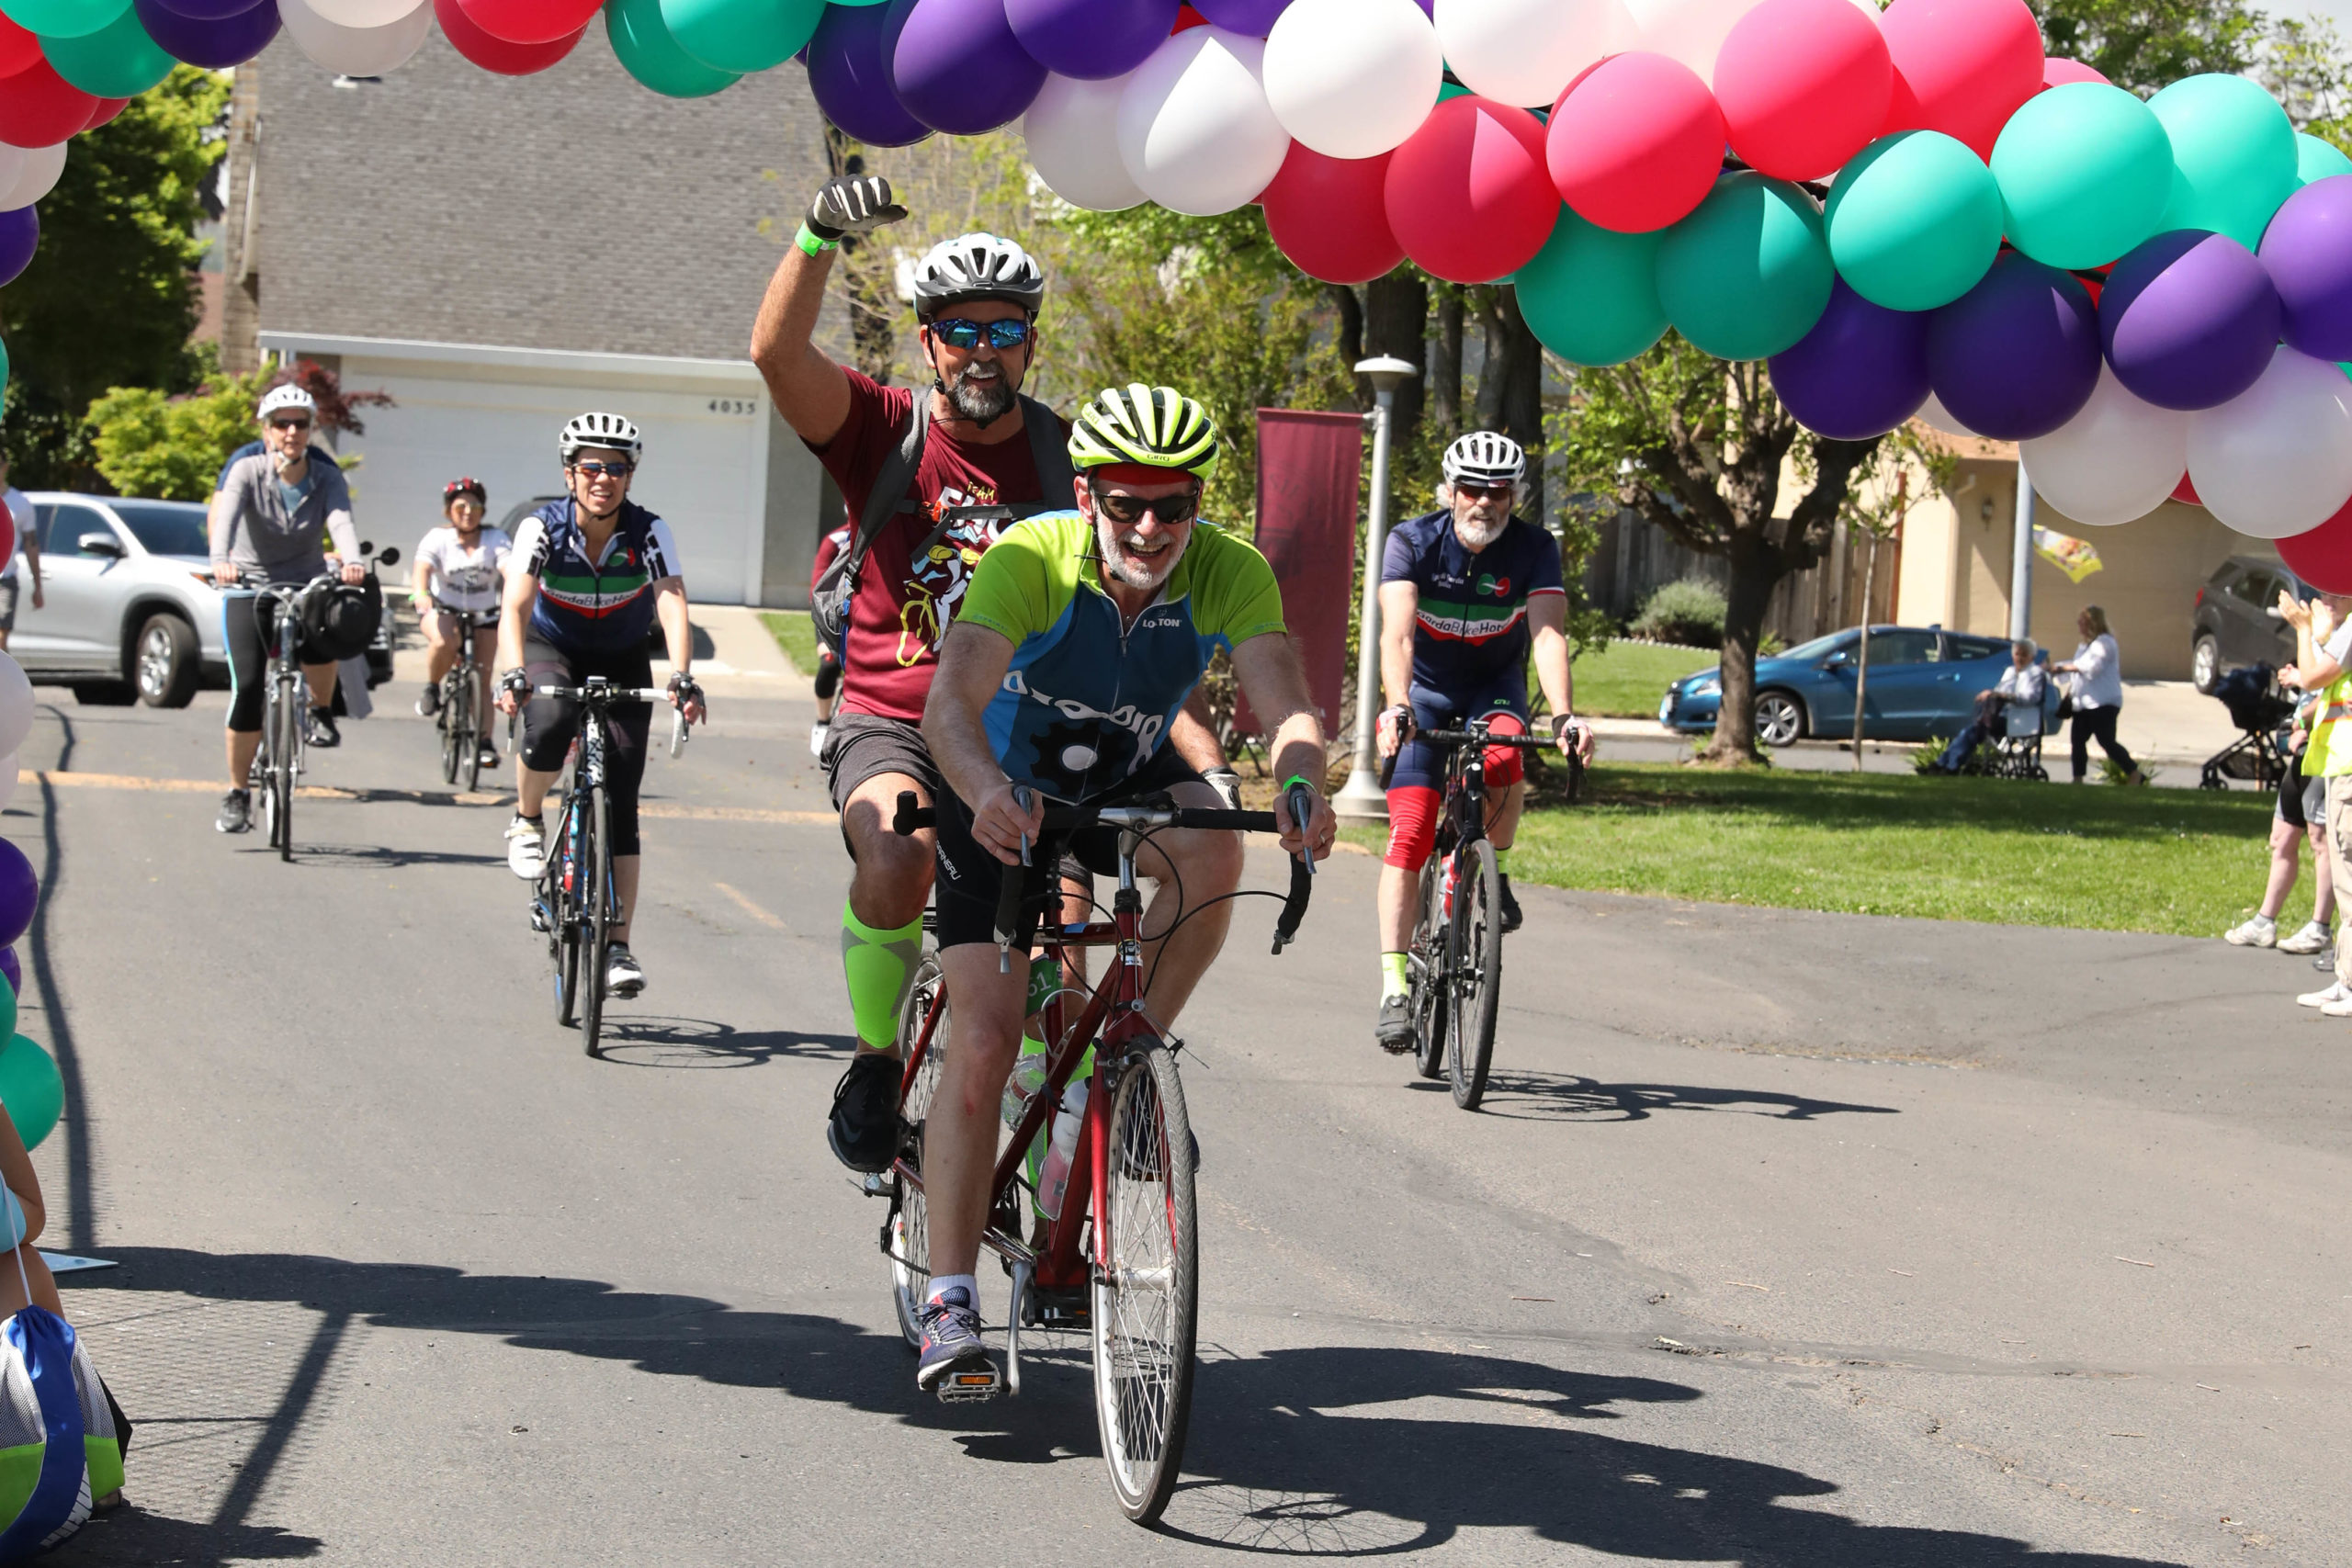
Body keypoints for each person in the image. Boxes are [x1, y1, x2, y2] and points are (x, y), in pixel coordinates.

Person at [748, 176, 1228, 1173]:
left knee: (1064, 941)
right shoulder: (882, 431)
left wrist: (1196, 746)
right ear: (926, 343)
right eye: (958, 329)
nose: (981, 349)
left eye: (1003, 330)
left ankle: (1067, 1160)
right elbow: (775, 356)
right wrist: (819, 233)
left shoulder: (1069, 458)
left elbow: (1145, 614)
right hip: (895, 717)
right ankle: (877, 1061)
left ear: (1031, 343)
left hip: (1032, 736)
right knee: (893, 857)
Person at [912, 384, 1337, 1393]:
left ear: (1199, 504)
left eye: (1173, 506)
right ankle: (946, 1298)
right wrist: (979, 793)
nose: (1149, 526)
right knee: (986, 1033)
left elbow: (1284, 700)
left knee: (1214, 849)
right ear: (1086, 494)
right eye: (1125, 504)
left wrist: (1300, 778)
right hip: (998, 786)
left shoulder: (1232, 572)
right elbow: (949, 702)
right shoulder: (1029, 560)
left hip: (1116, 776)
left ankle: (1125, 1055)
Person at [1370, 432, 1590, 1052]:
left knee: (1506, 755)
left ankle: (1492, 867)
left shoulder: (1534, 548)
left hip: (1494, 687)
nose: (1484, 502)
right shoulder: (1413, 541)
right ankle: (1393, 988)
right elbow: (1398, 637)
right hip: (1428, 692)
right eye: (1472, 488)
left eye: (1498, 491)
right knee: (1410, 831)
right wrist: (1397, 706)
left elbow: (1547, 636)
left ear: (1513, 495)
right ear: (1449, 490)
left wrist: (1566, 716)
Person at [494, 414, 703, 999]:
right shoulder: (543, 527)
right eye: (591, 466)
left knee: (623, 797)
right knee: (552, 719)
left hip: (621, 654)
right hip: (550, 645)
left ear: (629, 477)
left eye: (616, 468)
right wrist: (513, 669)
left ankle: (616, 946)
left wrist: (682, 676)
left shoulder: (648, 531)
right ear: (570, 473)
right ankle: (529, 818)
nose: (602, 478)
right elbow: (514, 605)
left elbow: (671, 600)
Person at [208, 386, 365, 834]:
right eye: (281, 423)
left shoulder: (325, 474)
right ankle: (238, 793)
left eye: (300, 423)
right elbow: (226, 520)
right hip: (249, 585)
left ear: (312, 429)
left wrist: (351, 561)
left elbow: (340, 521)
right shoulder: (247, 469)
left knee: (325, 633)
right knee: (249, 686)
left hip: (307, 580)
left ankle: (319, 710)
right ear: (266, 430)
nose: (291, 431)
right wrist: (221, 562)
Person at [2224, 669, 2335, 953]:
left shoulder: (2340, 636)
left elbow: (2326, 687)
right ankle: (2264, 921)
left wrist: (2302, 717)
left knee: (2321, 842)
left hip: (2327, 752)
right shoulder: (2316, 632)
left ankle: (2320, 927)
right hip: (2303, 753)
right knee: (2282, 837)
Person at [412, 478, 510, 771]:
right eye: (461, 506)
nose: (468, 511)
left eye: (475, 505)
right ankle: (432, 688)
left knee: (482, 676)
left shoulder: (496, 538)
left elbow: (510, 568)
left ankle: (484, 743)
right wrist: (421, 594)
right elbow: (422, 569)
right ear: (449, 510)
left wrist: (516, 596)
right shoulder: (437, 538)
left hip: (485, 614)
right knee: (443, 641)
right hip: (443, 609)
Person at [2052, 605, 2144, 784]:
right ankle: (2077, 778)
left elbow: (2092, 668)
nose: (2079, 625)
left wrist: (2062, 668)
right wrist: (2055, 669)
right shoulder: (2085, 646)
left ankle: (2134, 773)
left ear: (2093, 623)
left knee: (2106, 740)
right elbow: (2077, 665)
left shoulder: (2105, 643)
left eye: (2083, 622)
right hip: (2083, 702)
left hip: (2103, 702)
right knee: (2077, 741)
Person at [1929, 639, 2046, 773]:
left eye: (2024, 655)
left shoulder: (2035, 673)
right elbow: (2000, 690)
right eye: (2017, 654)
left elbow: (2030, 698)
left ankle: (1948, 766)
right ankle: (1945, 764)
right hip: (2001, 716)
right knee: (1970, 731)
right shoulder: (2010, 672)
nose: (2019, 658)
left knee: (1973, 730)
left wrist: (2001, 695)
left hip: (2023, 720)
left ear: (2032, 657)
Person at [808, 519, 849, 760]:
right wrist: (826, 634)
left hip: (864, 613)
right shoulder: (834, 540)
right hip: (832, 613)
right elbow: (818, 590)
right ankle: (822, 722)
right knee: (829, 662)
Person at [0, 457, 42, 653]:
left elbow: (31, 545)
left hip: (5, 580)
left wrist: (38, 586)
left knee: (0, 637)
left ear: (6, 467)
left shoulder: (20, 503)